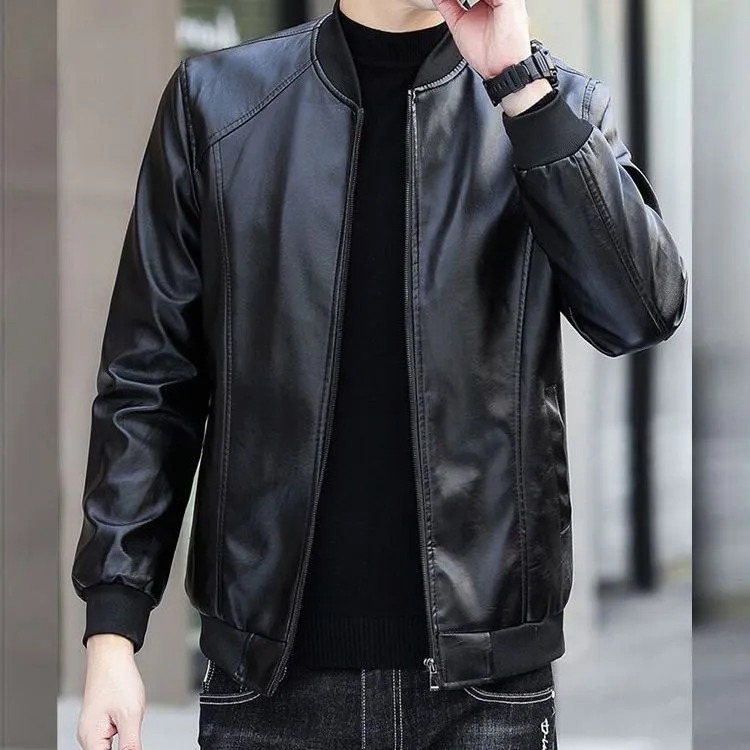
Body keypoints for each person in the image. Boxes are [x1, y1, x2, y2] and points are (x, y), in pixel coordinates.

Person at [71, 0, 688, 747]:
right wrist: (113, 633)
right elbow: (149, 381)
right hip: (269, 690)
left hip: (485, 694)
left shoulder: (551, 105)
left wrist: (519, 85)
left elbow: (640, 312)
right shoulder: (219, 103)